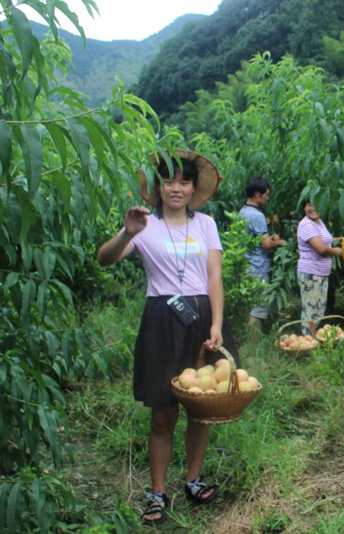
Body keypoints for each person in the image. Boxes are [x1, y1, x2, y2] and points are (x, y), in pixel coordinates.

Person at [97, 150, 238, 525]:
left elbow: (214, 277)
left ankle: (193, 479)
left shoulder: (206, 224)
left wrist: (217, 323)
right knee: (163, 414)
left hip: (202, 318)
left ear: (193, 189)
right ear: (158, 188)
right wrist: (127, 231)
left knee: (202, 407)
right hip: (162, 320)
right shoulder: (144, 225)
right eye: (169, 181)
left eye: (184, 181)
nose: (176, 188)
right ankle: (158, 492)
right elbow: (104, 259)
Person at [239, 176, 286, 338]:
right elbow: (266, 245)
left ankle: (252, 344)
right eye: (266, 194)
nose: (267, 198)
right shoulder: (257, 215)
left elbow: (258, 240)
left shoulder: (243, 212)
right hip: (258, 267)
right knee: (258, 309)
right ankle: (255, 346)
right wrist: (280, 242)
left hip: (248, 265)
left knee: (253, 306)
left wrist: (269, 238)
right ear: (257, 194)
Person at [296, 199, 342, 332]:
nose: (313, 208)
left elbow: (322, 239)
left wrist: (336, 240)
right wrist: (336, 251)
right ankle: (307, 343)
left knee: (318, 311)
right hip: (311, 274)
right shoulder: (306, 224)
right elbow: (320, 248)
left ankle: (312, 341)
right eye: (310, 205)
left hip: (320, 274)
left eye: (317, 204)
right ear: (304, 207)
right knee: (311, 312)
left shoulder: (318, 222)